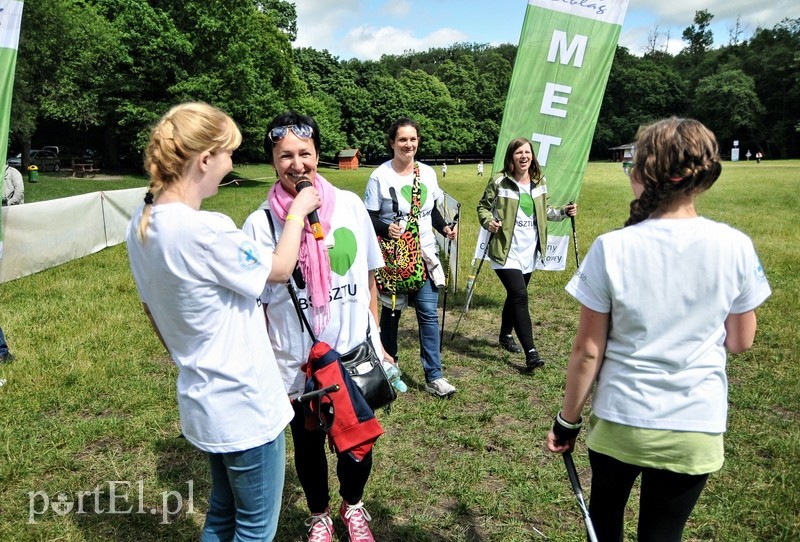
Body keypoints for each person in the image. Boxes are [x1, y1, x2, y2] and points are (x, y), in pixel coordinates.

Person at [546, 118, 771, 541]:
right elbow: (741, 341)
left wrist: (567, 422)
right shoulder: (735, 245)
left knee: (605, 522)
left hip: (621, 422)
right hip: (695, 426)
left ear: (643, 173)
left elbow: (588, 351)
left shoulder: (612, 247)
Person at [126, 102, 321, 541]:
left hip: (203, 395)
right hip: (245, 402)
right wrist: (297, 212)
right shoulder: (206, 229)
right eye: (229, 153)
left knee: (222, 513)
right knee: (255, 529)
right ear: (205, 159)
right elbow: (278, 269)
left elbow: (150, 310)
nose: (232, 163)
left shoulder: (142, 223)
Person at [242, 111, 384, 542]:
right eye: (285, 155)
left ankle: (353, 506)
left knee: (356, 444)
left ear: (318, 155)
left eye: (305, 153)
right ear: (272, 160)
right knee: (307, 448)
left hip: (352, 354)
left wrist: (377, 338)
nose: (297, 164)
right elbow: (254, 307)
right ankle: (320, 513)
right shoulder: (259, 223)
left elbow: (370, 278)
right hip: (295, 363)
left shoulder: (352, 207)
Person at [364, 117, 458, 398]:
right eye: (402, 139)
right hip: (394, 260)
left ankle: (435, 376)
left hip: (425, 255)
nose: (408, 144)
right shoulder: (379, 176)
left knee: (428, 314)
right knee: (391, 315)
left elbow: (430, 211)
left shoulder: (427, 173)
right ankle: (390, 370)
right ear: (392, 142)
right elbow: (367, 216)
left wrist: (444, 227)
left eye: (413, 139)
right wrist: (385, 227)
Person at [477, 137, 576, 369]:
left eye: (527, 152)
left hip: (529, 250)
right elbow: (482, 206)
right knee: (520, 295)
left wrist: (563, 211)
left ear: (532, 156)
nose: (524, 156)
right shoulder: (499, 181)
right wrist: (489, 221)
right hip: (505, 249)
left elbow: (544, 211)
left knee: (515, 296)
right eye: (519, 152)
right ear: (511, 156)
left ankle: (504, 335)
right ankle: (531, 352)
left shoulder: (539, 181)